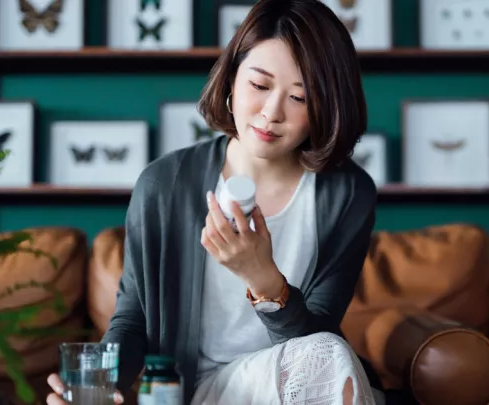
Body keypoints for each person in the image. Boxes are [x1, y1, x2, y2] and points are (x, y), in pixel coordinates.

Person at [46, 0, 382, 403]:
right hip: (199, 391)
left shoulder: (346, 194)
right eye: (259, 86)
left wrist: (263, 279)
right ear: (231, 79)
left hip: (301, 383)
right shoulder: (164, 184)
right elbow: (133, 317)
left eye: (300, 98)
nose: (271, 113)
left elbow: (317, 337)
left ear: (327, 106)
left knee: (326, 352)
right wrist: (101, 388)